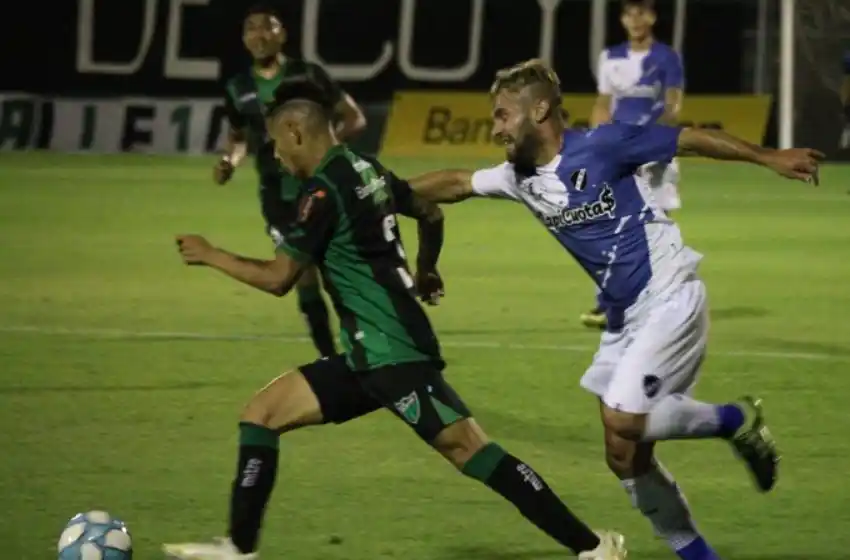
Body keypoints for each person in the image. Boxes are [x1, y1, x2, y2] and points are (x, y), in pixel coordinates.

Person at [163, 82, 628, 560]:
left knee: (471, 450)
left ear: (296, 133)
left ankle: (593, 547)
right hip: (367, 354)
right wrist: (426, 269)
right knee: (260, 414)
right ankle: (239, 548)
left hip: (393, 352)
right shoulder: (366, 167)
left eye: (277, 146)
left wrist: (211, 254)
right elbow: (429, 212)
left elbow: (280, 277)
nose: (277, 158)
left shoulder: (323, 190)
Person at [408, 59, 822, 560]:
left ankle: (731, 420)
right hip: (624, 318)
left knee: (622, 416)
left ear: (538, 110)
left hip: (670, 294)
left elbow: (687, 138)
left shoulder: (603, 145)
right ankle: (698, 554)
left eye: (501, 115)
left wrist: (768, 157)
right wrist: (381, 195)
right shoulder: (518, 177)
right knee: (623, 456)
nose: (495, 129)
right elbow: (455, 182)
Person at [216, 3, 367, 358]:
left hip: (323, 190)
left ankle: (360, 349)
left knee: (335, 271)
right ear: (243, 38)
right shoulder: (239, 88)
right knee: (302, 275)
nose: (259, 35)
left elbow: (354, 118)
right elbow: (238, 136)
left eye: (267, 27)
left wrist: (325, 155)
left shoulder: (308, 76)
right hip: (278, 197)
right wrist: (229, 160)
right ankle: (330, 358)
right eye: (251, 28)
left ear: (281, 33)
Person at [583, 0, 686, 329]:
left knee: (658, 227)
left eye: (642, 12)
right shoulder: (610, 57)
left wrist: (652, 142)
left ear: (653, 17)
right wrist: (598, 141)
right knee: (613, 223)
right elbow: (602, 103)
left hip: (655, 151)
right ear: (623, 19)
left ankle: (666, 298)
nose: (636, 19)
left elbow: (673, 106)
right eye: (630, 13)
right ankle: (613, 302)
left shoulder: (667, 57)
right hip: (619, 151)